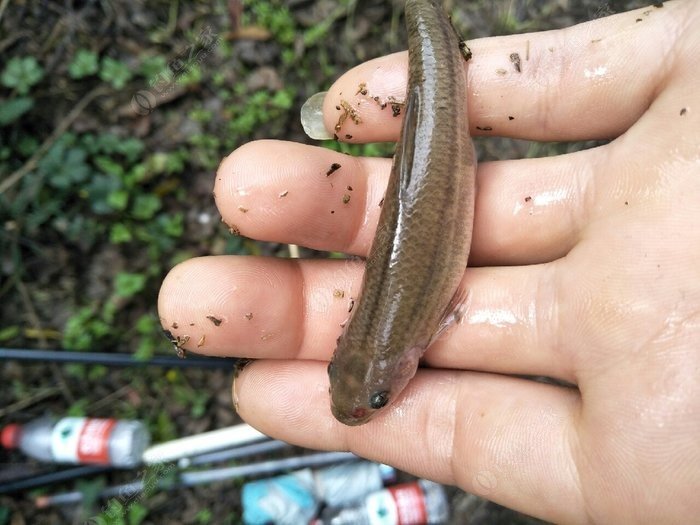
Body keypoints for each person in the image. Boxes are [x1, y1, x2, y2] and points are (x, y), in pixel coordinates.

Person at [158, 2, 699, 522]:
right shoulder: (397, 335)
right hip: (432, 166)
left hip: (435, 165)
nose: (367, 407)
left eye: (375, 396)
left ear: (351, 347)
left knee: (434, 82)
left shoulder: (412, 334)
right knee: (433, 83)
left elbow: (442, 305)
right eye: (375, 396)